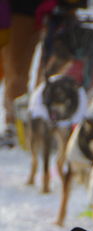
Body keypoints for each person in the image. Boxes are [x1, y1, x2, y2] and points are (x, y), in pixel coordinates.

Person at [0, 0, 43, 148]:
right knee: (16, 72)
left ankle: (16, 124)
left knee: (18, 72)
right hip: (16, 13)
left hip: (28, 13)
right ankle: (14, 125)